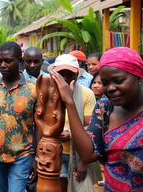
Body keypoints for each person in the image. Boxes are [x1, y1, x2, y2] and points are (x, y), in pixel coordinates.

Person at [51, 47, 143, 192]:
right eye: (105, 83)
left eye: (119, 81)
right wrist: (70, 102)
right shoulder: (104, 108)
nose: (111, 88)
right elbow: (88, 154)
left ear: (138, 76)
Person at [0, 41, 38, 192]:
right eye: (0, 61)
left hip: (22, 155)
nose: (2, 65)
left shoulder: (33, 89)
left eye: (8, 61)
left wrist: (36, 158)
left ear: (20, 61)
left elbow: (39, 125)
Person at [50, 54, 96, 192]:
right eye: (60, 74)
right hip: (54, 152)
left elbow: (91, 128)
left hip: (77, 153)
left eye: (69, 74)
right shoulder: (47, 93)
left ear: (77, 74)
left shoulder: (86, 94)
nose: (64, 78)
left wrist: (83, 160)